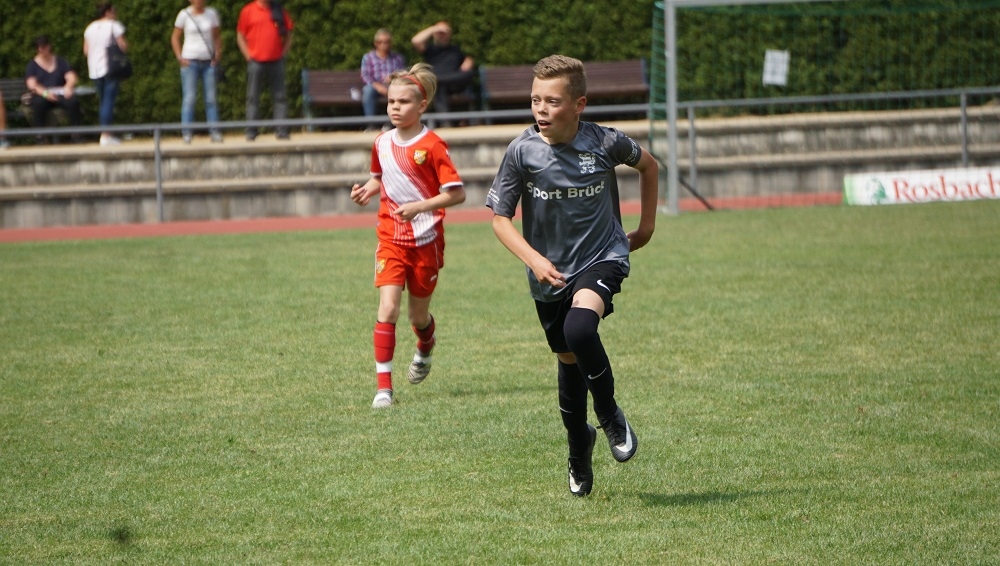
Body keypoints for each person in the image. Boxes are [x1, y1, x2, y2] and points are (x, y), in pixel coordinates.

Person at [486, 55, 659, 496]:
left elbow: (650, 166)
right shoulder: (522, 151)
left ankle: (610, 415)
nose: (541, 109)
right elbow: (500, 220)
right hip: (549, 274)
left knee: (580, 329)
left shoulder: (605, 142)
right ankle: (579, 448)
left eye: (552, 101)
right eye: (535, 100)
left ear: (579, 104)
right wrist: (534, 260)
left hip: (603, 255)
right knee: (566, 359)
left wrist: (645, 229)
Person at [349, 62, 467, 409]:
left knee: (418, 317)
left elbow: (457, 194)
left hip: (426, 242)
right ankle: (383, 389)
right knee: (387, 309)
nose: (395, 108)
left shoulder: (432, 145)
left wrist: (421, 206)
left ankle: (426, 344)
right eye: (391, 102)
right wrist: (367, 189)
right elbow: (379, 177)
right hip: (390, 238)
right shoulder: (381, 142)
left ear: (422, 105)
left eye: (403, 102)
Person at [236, 0, 294, 141]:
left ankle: (281, 131)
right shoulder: (248, 11)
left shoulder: (279, 10)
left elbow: (289, 33)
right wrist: (248, 56)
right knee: (252, 97)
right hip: (255, 62)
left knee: (280, 97)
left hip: (276, 61)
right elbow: (240, 36)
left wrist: (283, 53)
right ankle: (251, 131)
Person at [172, 0, 224, 144]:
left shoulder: (211, 14)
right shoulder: (184, 14)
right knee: (189, 98)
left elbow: (216, 36)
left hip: (208, 62)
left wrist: (217, 55)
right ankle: (187, 133)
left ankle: (214, 132)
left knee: (211, 99)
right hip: (190, 61)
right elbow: (175, 37)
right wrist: (179, 57)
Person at [83, 2, 128, 146]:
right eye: (114, 10)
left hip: (94, 69)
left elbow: (86, 50)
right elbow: (123, 46)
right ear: (108, 12)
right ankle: (106, 135)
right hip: (110, 67)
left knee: (103, 102)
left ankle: (105, 133)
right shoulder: (114, 25)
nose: (115, 13)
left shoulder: (90, 28)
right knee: (109, 102)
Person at [410, 21, 475, 116]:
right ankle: (445, 120)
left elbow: (467, 62)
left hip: (454, 83)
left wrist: (469, 61)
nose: (442, 35)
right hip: (438, 85)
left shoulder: (455, 49)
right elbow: (415, 41)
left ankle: (439, 80)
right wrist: (434, 28)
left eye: (444, 33)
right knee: (439, 86)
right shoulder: (430, 49)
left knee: (469, 74)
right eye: (439, 33)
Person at [25, 36, 84, 138]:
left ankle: (77, 135)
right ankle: (40, 136)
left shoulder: (61, 62)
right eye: (38, 47)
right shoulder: (32, 65)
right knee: (38, 104)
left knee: (73, 102)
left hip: (60, 93)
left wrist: (68, 86)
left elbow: (71, 77)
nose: (41, 49)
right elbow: (32, 84)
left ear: (49, 46)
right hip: (42, 94)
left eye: (43, 46)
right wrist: (45, 93)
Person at [360, 28, 405, 120]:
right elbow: (365, 75)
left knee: (405, 90)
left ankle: (398, 122)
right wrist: (378, 86)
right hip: (375, 86)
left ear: (390, 43)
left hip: (393, 85)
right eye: (380, 42)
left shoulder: (397, 58)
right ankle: (371, 123)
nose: (383, 44)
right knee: (368, 91)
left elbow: (403, 73)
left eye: (386, 42)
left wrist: (394, 77)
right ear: (375, 43)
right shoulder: (368, 57)